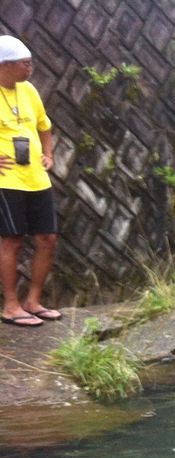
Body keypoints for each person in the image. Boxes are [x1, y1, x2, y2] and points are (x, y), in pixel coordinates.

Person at [0, 36, 59, 328]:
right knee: (12, 240)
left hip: (36, 177)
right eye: (25, 63)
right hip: (7, 179)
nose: (30, 68)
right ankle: (11, 306)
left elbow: (44, 125)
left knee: (47, 239)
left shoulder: (29, 90)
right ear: (5, 65)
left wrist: (48, 153)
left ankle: (33, 301)